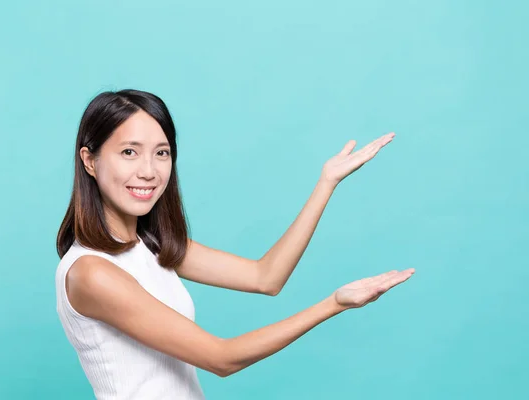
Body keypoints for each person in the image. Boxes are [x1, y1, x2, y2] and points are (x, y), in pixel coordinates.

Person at [54, 89, 415, 399]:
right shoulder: (92, 273)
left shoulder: (152, 247)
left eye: (161, 153)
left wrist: (326, 183)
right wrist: (333, 304)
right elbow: (221, 358)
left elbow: (265, 277)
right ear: (90, 160)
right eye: (129, 152)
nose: (148, 170)